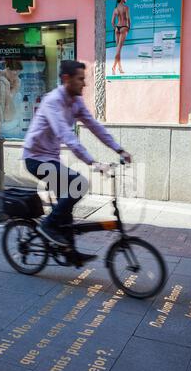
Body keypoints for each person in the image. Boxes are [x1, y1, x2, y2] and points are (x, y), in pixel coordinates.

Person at [23, 60, 131, 266]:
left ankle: (69, 252)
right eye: (81, 79)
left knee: (67, 202)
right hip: (35, 159)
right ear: (67, 79)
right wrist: (93, 163)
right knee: (78, 184)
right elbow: (67, 136)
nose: (85, 83)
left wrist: (118, 148)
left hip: (50, 158)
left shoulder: (75, 101)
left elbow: (94, 126)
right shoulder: (52, 101)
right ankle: (48, 225)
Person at [111, 0, 131, 75]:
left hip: (117, 28)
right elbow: (128, 18)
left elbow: (112, 22)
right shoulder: (126, 7)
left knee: (118, 50)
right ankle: (114, 67)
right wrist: (128, 27)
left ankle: (120, 68)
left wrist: (115, 27)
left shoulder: (115, 9)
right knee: (118, 50)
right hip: (123, 27)